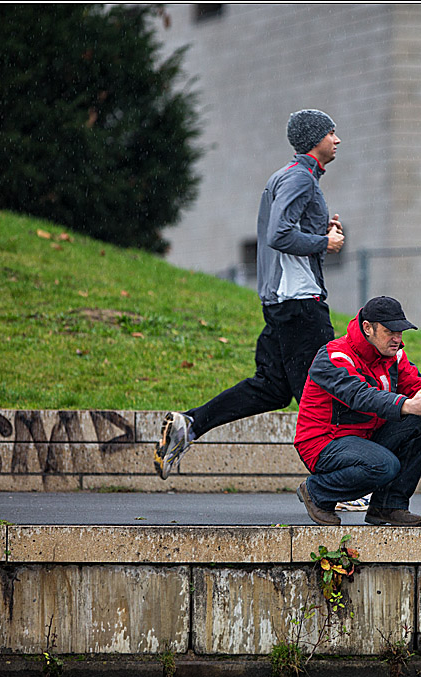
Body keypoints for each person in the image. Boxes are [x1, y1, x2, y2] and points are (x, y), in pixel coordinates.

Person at [153, 109, 345, 479]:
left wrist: (322, 230)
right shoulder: (300, 179)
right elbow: (278, 234)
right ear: (314, 139)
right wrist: (325, 241)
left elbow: (285, 233)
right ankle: (340, 482)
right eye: (331, 133)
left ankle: (189, 425)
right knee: (327, 391)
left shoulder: (286, 178)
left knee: (273, 388)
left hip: (281, 302)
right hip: (300, 304)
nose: (337, 140)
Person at [293, 296, 421, 526]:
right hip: (324, 442)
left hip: (365, 439)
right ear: (368, 328)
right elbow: (360, 395)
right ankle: (317, 492)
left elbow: (419, 386)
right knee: (384, 465)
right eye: (390, 332)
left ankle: (388, 505)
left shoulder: (393, 355)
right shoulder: (333, 356)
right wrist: (406, 405)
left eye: (401, 331)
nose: (397, 339)